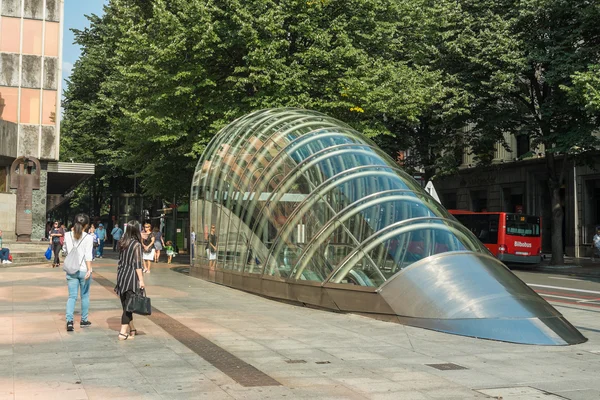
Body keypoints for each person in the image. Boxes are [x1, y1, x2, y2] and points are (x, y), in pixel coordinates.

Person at [114, 220, 146, 340]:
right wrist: (141, 280)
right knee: (129, 306)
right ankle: (122, 333)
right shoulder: (136, 245)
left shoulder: (122, 242)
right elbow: (138, 264)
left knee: (126, 304)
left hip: (121, 275)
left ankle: (132, 329)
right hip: (131, 277)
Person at [63, 213, 94, 332]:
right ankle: (84, 320)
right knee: (85, 296)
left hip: (71, 270)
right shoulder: (89, 237)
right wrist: (89, 270)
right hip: (83, 270)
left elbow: (65, 250)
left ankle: (69, 321)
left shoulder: (67, 235)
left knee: (72, 296)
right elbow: (88, 255)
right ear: (86, 225)